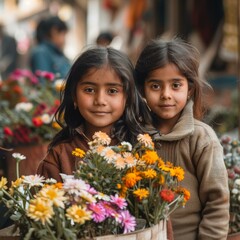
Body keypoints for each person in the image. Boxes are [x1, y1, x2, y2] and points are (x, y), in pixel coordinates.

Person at [134, 37, 229, 240]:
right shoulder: (133, 136)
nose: (166, 94)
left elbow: (217, 203)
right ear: (142, 89)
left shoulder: (202, 139)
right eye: (155, 86)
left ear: (190, 89)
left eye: (176, 85)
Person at [36, 46, 152, 183]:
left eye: (112, 91)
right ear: (74, 95)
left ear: (128, 97)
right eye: (89, 90)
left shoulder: (142, 150)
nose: (100, 101)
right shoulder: (59, 156)